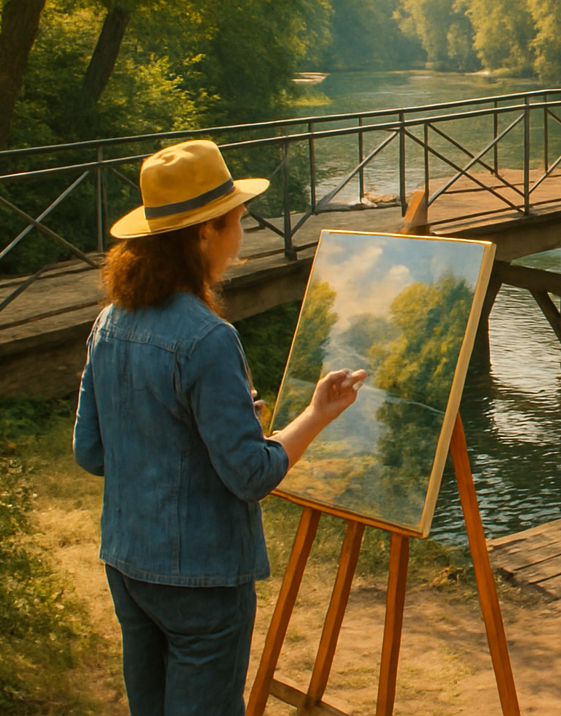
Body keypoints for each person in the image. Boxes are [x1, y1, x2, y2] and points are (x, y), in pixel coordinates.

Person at [72, 140, 366, 715]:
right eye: (237, 221)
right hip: (202, 581)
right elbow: (251, 474)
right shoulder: (208, 339)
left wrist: (172, 441)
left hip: (128, 562)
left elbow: (91, 451)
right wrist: (317, 415)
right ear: (203, 233)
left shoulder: (109, 321)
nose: (243, 234)